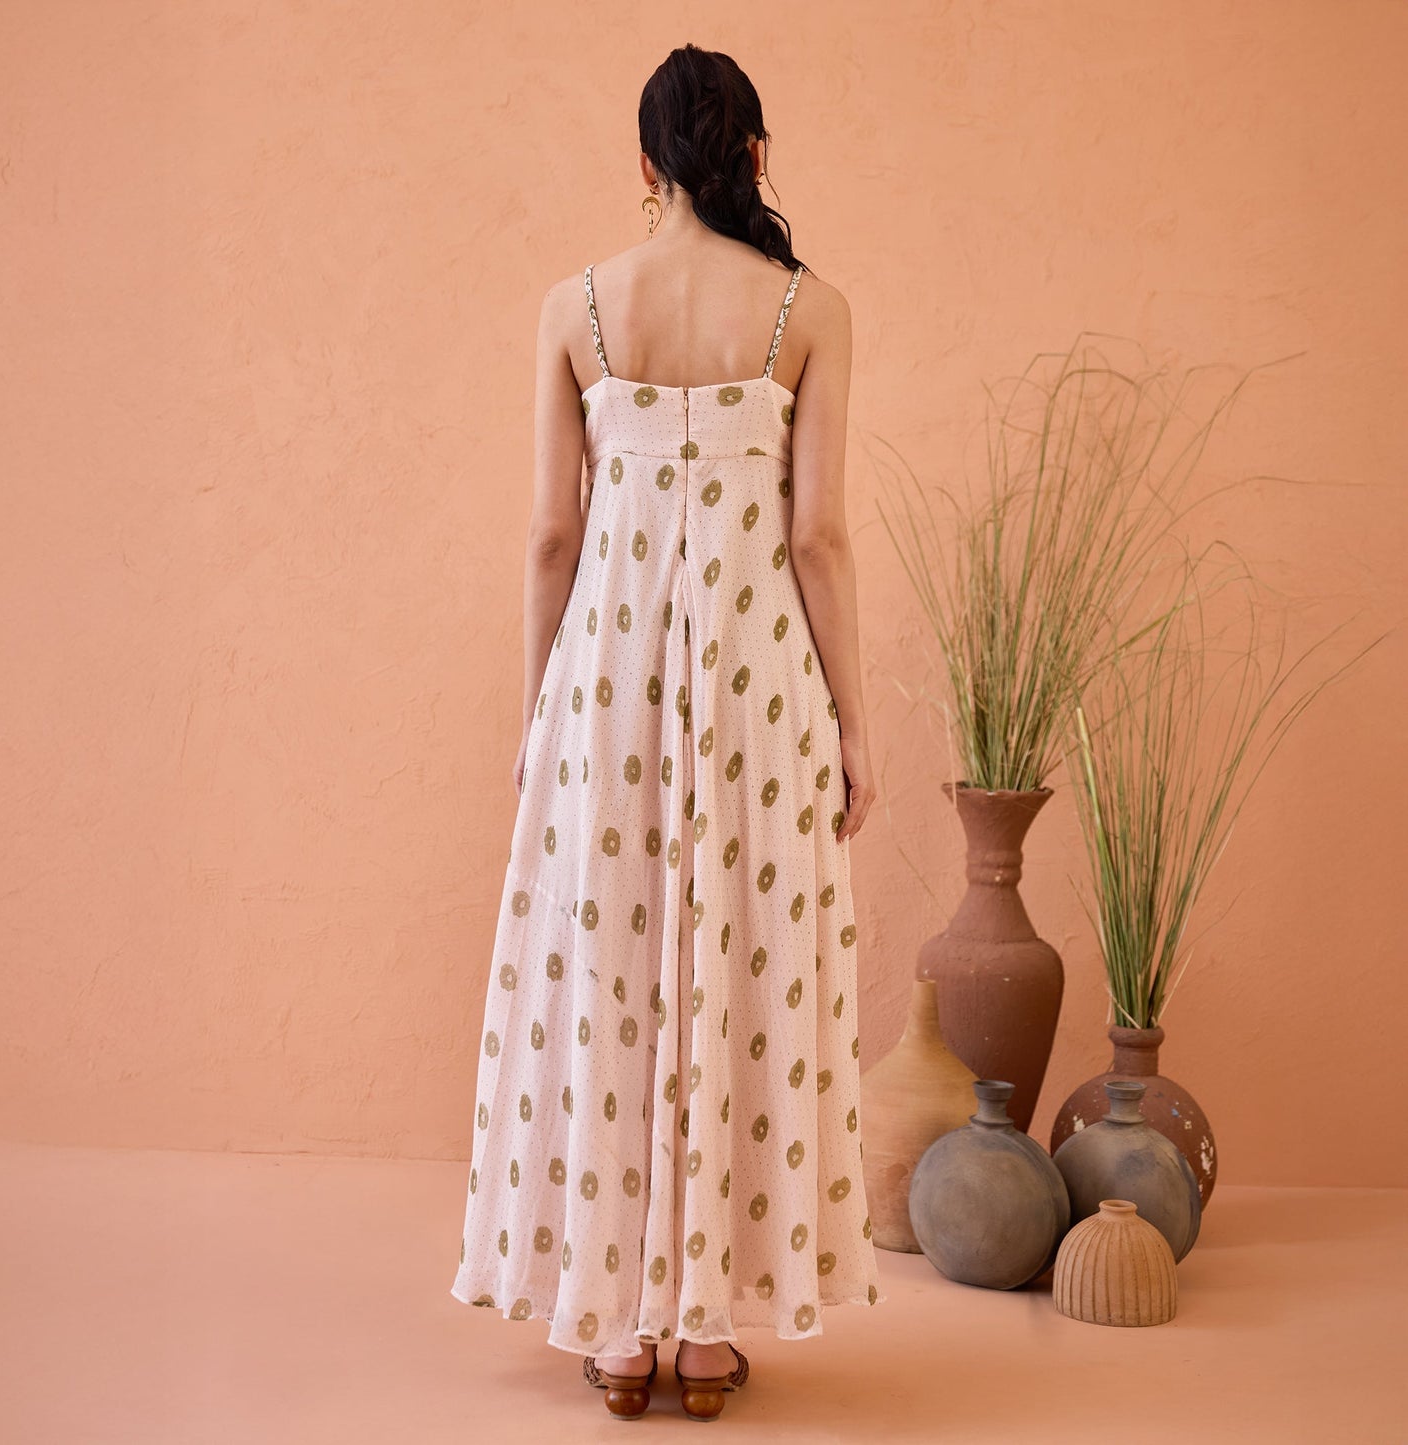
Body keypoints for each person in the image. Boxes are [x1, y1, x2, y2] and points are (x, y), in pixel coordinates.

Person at [450, 42, 882, 1421]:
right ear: (754, 152)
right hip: (759, 687)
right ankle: (704, 1336)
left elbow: (549, 534)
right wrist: (853, 724)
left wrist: (539, 711)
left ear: (644, 163)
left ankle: (621, 1331)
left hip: (609, 683)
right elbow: (818, 537)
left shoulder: (575, 308)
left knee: (613, 972)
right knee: (741, 977)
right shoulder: (810, 311)